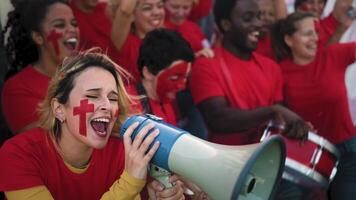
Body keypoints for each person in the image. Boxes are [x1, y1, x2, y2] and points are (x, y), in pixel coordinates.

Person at [0, 50, 185, 200]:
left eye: (112, 98)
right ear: (58, 109)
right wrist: (130, 183)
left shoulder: (121, 153)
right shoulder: (19, 153)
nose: (107, 105)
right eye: (92, 95)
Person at [189, 0, 310, 146]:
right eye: (248, 18)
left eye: (258, 17)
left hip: (266, 161)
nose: (258, 24)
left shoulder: (271, 67)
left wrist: (295, 127)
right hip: (223, 163)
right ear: (226, 24)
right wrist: (272, 111)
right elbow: (218, 119)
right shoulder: (206, 65)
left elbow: (277, 122)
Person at [271, 11, 356, 200]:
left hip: (347, 153)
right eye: (308, 33)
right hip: (303, 153)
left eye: (316, 33)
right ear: (289, 39)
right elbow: (275, 112)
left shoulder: (333, 54)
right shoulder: (279, 71)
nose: (315, 39)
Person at [1, 0, 79, 134]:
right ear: (38, 37)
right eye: (60, 25)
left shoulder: (87, 74)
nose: (72, 29)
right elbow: (47, 141)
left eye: (74, 24)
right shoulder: (18, 88)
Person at [110, 0, 165, 83]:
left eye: (160, 6)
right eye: (147, 8)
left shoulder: (169, 40)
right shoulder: (125, 42)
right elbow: (124, 11)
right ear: (132, 15)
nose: (156, 12)